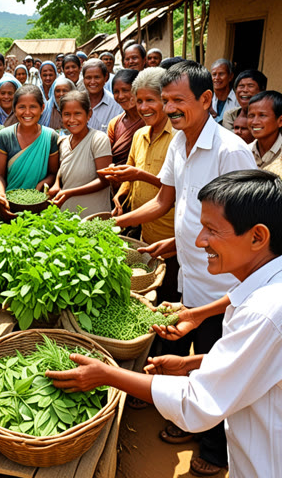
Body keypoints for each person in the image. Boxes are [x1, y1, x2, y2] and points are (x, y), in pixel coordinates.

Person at [46, 170, 282, 478]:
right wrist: (194, 363)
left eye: (211, 230)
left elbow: (196, 403)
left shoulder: (264, 313)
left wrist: (107, 375)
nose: (200, 241)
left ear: (257, 236)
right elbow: (262, 362)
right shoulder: (268, 290)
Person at [114, 61, 256, 475]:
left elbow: (242, 226)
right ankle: (176, 412)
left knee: (216, 361)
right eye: (167, 101)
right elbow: (165, 203)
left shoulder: (231, 150)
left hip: (224, 282)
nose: (171, 108)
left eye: (179, 101)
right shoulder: (179, 143)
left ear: (207, 99)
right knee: (177, 344)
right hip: (189, 268)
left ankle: (214, 451)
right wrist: (115, 223)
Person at [107, 67, 177, 302]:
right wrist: (120, 196)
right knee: (148, 292)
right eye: (139, 101)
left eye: (151, 100)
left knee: (170, 293)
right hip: (144, 233)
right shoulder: (139, 135)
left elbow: (175, 189)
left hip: (172, 237)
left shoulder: (178, 138)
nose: (144, 107)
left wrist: (139, 174)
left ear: (165, 101)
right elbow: (130, 173)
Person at [0, 85, 59, 218]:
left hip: (41, 206)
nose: (27, 112)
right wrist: (1, 194)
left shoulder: (50, 137)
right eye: (22, 107)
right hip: (9, 204)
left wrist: (42, 184)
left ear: (42, 108)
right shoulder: (4, 136)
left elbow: (53, 172)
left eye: (33, 107)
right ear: (14, 109)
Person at [50, 90, 111, 215]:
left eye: (77, 114)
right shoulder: (64, 142)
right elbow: (63, 169)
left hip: (94, 215)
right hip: (68, 213)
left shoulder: (98, 139)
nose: (72, 120)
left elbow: (104, 180)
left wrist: (70, 192)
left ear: (89, 114)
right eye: (67, 114)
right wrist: (57, 184)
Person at [107, 69, 145, 174]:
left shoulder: (149, 121)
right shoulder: (114, 123)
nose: (121, 96)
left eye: (126, 90)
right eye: (116, 92)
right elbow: (108, 156)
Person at [247, 91, 282, 176]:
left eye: (262, 115)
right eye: (251, 116)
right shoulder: (245, 151)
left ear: (280, 121)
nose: (255, 122)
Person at [82, 59, 122, 133]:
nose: (92, 82)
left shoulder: (116, 104)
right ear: (83, 79)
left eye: (97, 77)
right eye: (88, 78)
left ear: (106, 78)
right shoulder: (77, 102)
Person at [210, 59, 239, 124]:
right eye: (214, 74)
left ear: (230, 76)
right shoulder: (207, 99)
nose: (217, 78)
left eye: (221, 74)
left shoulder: (238, 101)